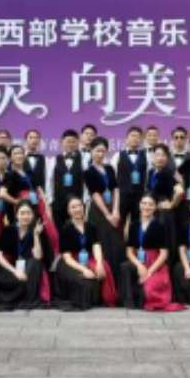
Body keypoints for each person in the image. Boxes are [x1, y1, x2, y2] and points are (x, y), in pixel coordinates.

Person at [119, 194, 183, 312]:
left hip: (154, 263)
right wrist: (139, 265)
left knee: (148, 291)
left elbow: (164, 254)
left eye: (150, 204)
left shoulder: (160, 226)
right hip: (138, 260)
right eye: (144, 203)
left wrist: (148, 272)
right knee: (125, 267)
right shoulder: (134, 225)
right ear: (139, 205)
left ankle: (141, 298)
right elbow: (129, 251)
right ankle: (129, 301)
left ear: (155, 207)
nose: (146, 207)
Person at [0, 200, 47, 311]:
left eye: (28, 213)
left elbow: (38, 256)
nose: (25, 216)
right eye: (22, 213)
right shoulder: (9, 230)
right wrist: (15, 271)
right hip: (11, 267)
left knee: (35, 263)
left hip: (27, 268)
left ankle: (26, 299)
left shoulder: (36, 230)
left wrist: (36, 235)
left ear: (33, 215)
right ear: (17, 215)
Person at [55, 196, 116, 310]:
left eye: (79, 206)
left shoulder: (90, 226)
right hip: (71, 262)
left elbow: (96, 246)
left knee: (104, 266)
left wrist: (99, 263)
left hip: (88, 258)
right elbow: (67, 258)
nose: (77, 209)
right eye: (73, 207)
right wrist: (84, 269)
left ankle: (104, 298)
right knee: (83, 279)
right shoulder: (65, 229)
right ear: (68, 211)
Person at [84, 137, 125, 283]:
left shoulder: (109, 168)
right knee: (103, 243)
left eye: (103, 151)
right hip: (98, 211)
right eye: (97, 151)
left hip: (113, 207)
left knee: (116, 245)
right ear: (91, 151)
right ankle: (105, 282)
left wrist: (116, 210)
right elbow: (95, 194)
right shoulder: (88, 171)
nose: (100, 154)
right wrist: (107, 215)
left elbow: (115, 189)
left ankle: (117, 282)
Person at [112, 126, 147, 226]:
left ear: (141, 140)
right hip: (122, 197)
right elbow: (112, 177)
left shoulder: (146, 156)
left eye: (137, 136)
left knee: (137, 224)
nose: (135, 138)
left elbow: (148, 176)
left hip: (139, 196)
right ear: (126, 138)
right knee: (119, 224)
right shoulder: (117, 155)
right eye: (132, 136)